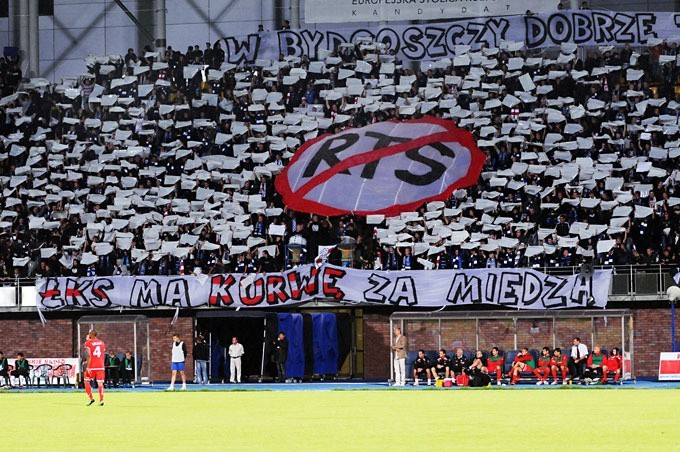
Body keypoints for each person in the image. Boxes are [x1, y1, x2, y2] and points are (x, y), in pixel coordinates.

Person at [83, 331, 106, 405]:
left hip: (92, 366)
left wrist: (88, 366)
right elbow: (102, 354)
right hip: (100, 366)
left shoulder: (88, 343)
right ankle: (101, 400)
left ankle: (91, 398)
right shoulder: (102, 342)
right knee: (100, 383)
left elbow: (89, 355)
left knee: (86, 381)